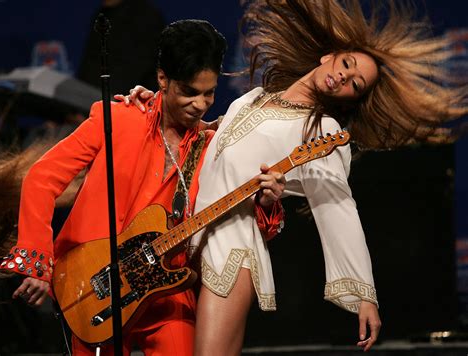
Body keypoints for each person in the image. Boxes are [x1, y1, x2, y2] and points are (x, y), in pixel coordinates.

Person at [124, 0, 468, 354]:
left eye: (356, 83)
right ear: (328, 56)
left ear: (353, 99)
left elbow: (337, 206)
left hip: (231, 252)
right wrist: (156, 103)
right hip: (184, 245)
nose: (345, 77)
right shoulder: (256, 99)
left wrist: (365, 295)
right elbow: (202, 141)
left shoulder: (321, 131)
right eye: (347, 64)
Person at [0, 19, 285, 355]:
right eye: (189, 92)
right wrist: (37, 264)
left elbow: (250, 225)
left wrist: (266, 201)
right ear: (163, 79)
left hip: (166, 291)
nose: (201, 104)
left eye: (209, 93)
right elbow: (41, 177)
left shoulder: (212, 147)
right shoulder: (117, 118)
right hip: (91, 285)